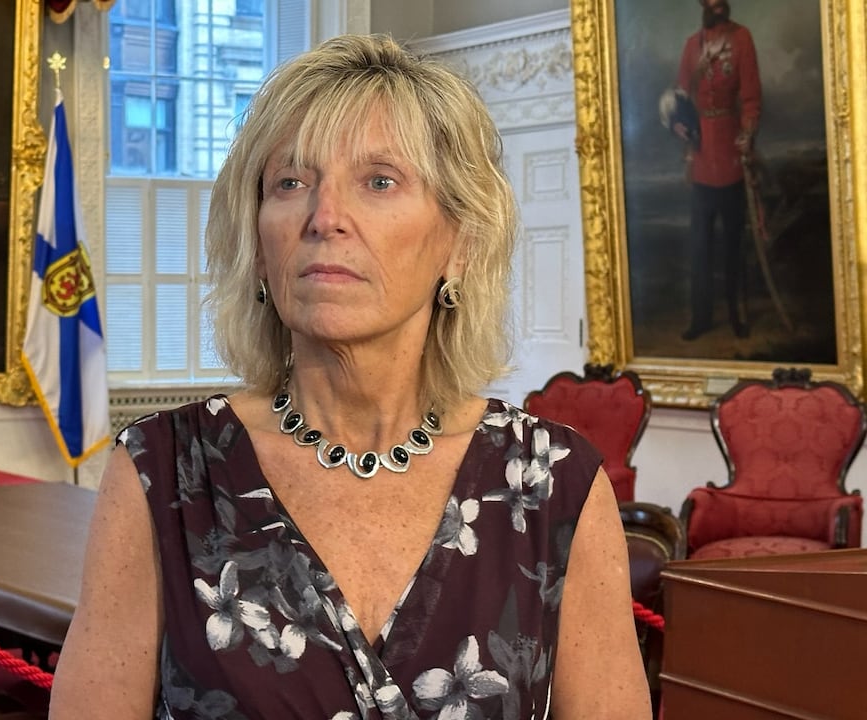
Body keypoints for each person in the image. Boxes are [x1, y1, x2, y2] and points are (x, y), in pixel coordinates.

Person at [50, 34, 650, 719]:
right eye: (290, 183)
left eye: (379, 181)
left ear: (459, 243)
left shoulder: (556, 486)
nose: (324, 217)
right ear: (258, 240)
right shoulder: (162, 475)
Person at [671, 0, 761, 341]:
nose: (716, 4)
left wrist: (747, 132)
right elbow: (681, 98)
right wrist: (679, 124)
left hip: (731, 156)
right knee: (700, 247)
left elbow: (751, 96)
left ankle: (736, 314)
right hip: (700, 159)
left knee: (733, 245)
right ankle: (702, 317)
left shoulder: (742, 39)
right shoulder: (691, 46)